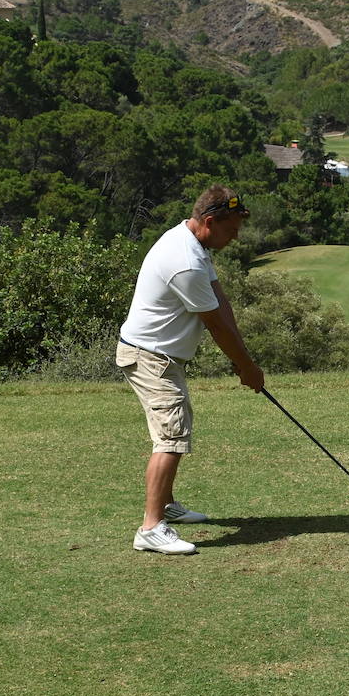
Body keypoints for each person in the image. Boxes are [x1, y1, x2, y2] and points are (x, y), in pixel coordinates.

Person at [117, 185, 265, 555]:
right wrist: (246, 366)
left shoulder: (193, 243)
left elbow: (221, 302)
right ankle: (151, 527)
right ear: (210, 221)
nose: (236, 237)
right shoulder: (185, 259)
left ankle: (165, 504)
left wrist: (242, 360)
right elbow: (214, 323)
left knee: (175, 426)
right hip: (150, 357)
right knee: (172, 434)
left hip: (160, 355)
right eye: (231, 230)